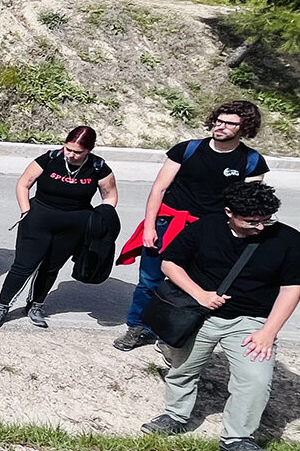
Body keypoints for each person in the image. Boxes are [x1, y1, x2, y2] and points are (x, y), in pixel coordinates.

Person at [140, 181, 300, 451]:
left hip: (252, 320)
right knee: (183, 369)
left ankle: (237, 440)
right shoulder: (205, 228)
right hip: (198, 313)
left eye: (265, 220)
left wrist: (268, 332)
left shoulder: (289, 240)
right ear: (229, 213)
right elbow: (169, 263)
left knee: (256, 379)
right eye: (251, 221)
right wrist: (200, 295)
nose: (260, 227)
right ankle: (175, 416)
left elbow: (292, 289)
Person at [114, 101, 269, 350]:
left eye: (229, 123)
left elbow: (247, 204)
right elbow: (159, 189)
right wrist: (150, 227)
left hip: (209, 231)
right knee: (149, 280)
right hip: (168, 222)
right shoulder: (187, 149)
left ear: (245, 127)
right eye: (219, 120)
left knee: (192, 283)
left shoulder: (251, 161)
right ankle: (138, 327)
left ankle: (172, 335)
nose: (220, 126)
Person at [0, 126, 118, 329]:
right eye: (68, 149)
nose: (71, 155)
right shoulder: (50, 159)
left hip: (75, 225)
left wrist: (102, 218)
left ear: (89, 150)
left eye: (77, 152)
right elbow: (24, 183)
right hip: (39, 218)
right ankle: (1, 306)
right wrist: (25, 210)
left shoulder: (99, 167)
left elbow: (109, 196)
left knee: (50, 268)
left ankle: (36, 305)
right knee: (23, 266)